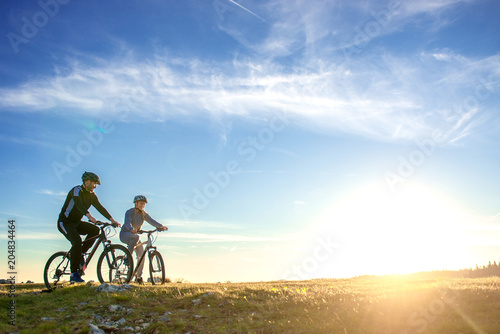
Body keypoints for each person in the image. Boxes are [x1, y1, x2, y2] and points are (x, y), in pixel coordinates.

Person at [57, 171, 121, 283]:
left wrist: (112, 220)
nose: (95, 186)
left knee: (95, 230)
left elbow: (100, 207)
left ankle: (81, 253)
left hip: (77, 223)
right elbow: (78, 204)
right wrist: (89, 216)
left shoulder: (92, 196)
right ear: (87, 182)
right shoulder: (76, 190)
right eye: (94, 183)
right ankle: (73, 274)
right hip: (65, 223)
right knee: (76, 242)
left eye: (96, 184)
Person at [120, 195, 168, 284]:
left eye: (144, 204)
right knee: (136, 237)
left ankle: (138, 277)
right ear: (136, 203)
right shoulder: (129, 212)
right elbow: (127, 222)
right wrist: (131, 229)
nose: (142, 205)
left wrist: (160, 226)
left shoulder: (144, 214)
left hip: (135, 236)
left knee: (141, 255)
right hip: (125, 234)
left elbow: (152, 221)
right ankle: (128, 258)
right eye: (141, 203)